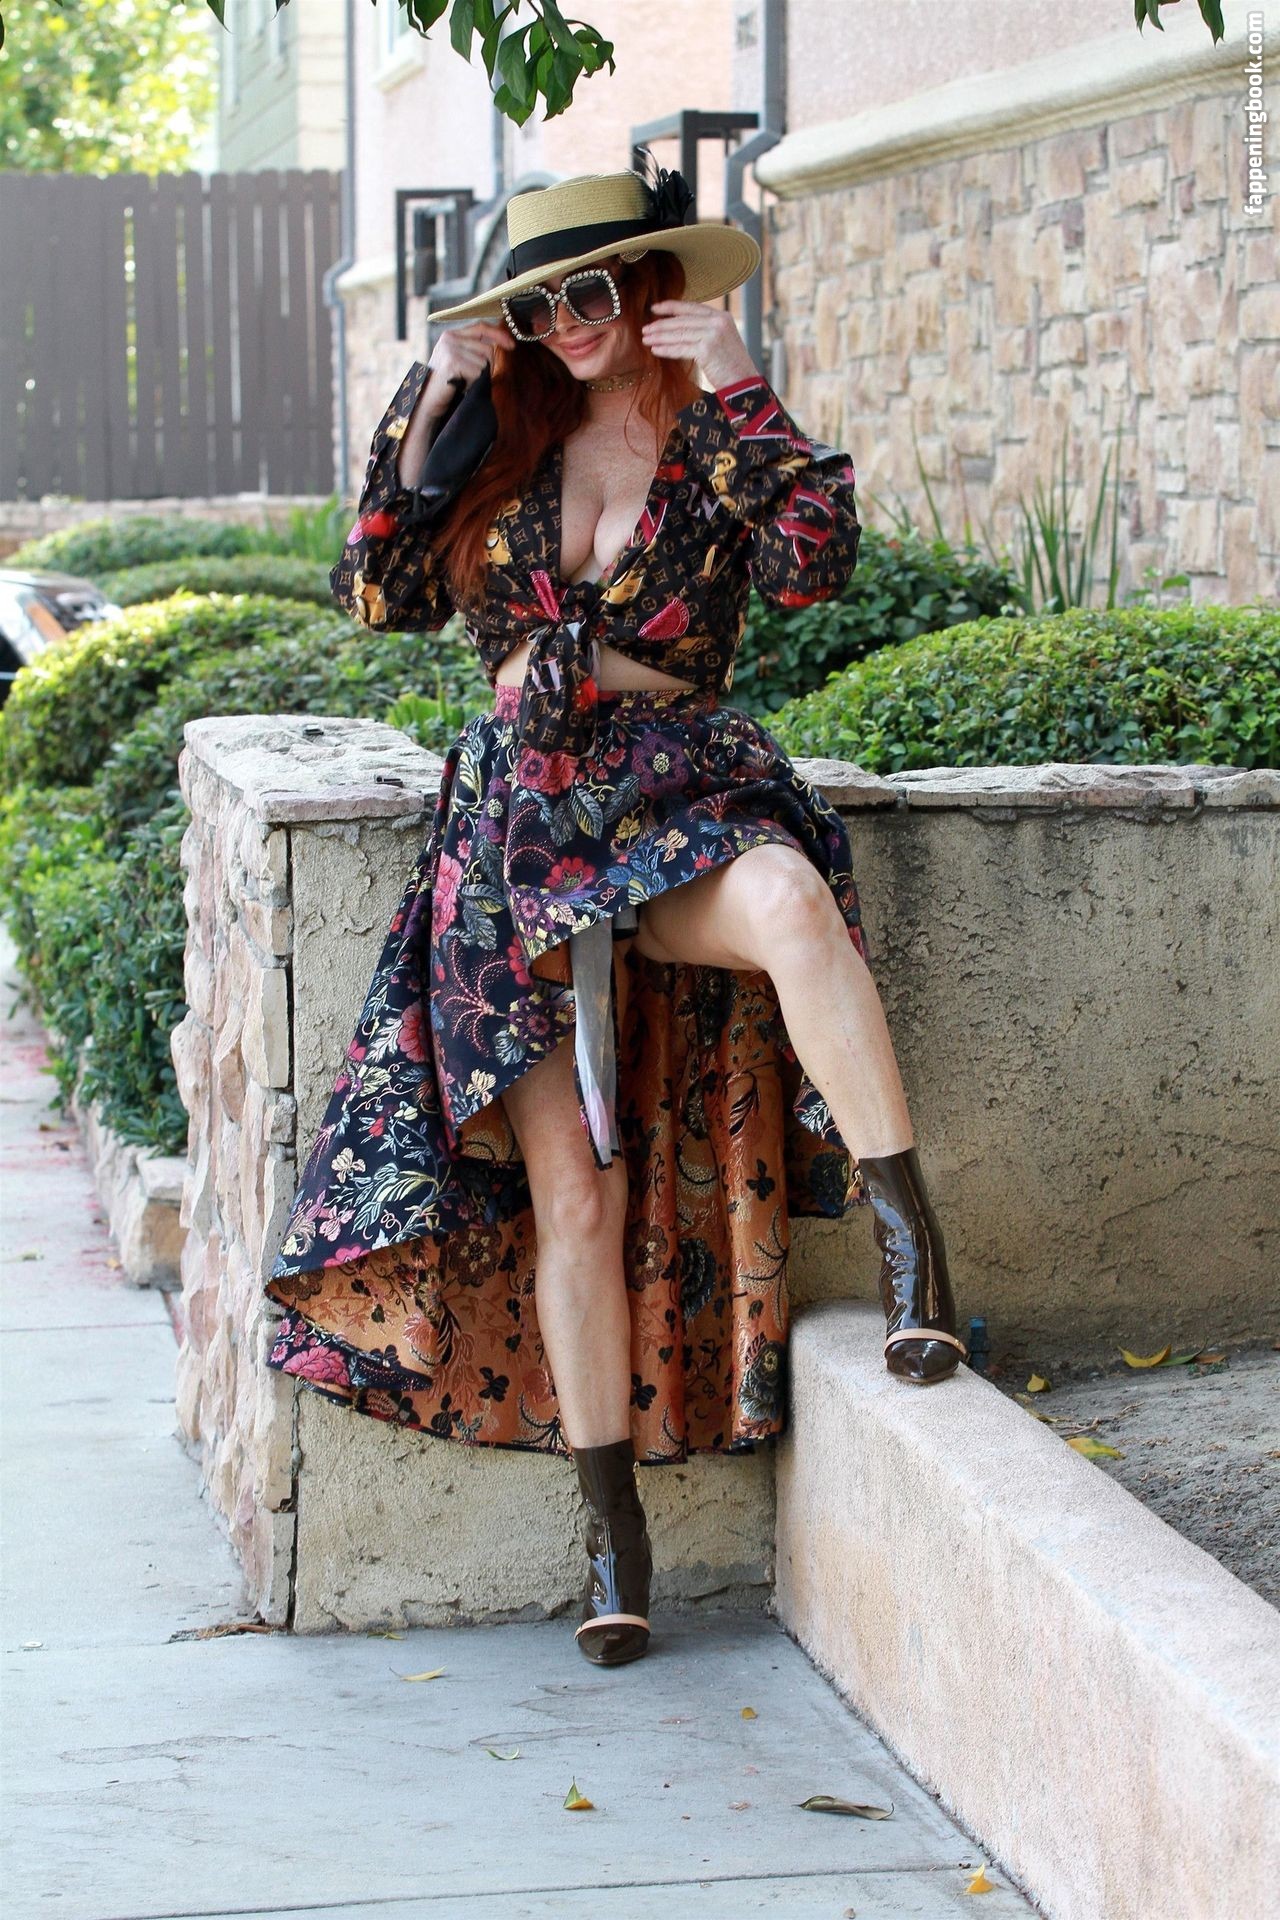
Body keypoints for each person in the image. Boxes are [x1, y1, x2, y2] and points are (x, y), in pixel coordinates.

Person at [264, 160, 967, 1668]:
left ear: (649, 284)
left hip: (675, 796)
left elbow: (816, 567)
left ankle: (916, 1248)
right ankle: (613, 1537)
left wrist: (740, 378)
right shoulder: (506, 436)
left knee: (789, 900)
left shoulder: (708, 428)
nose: (568, 323)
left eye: (591, 290)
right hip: (515, 838)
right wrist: (433, 389)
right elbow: (377, 590)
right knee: (573, 1193)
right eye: (538, 304)